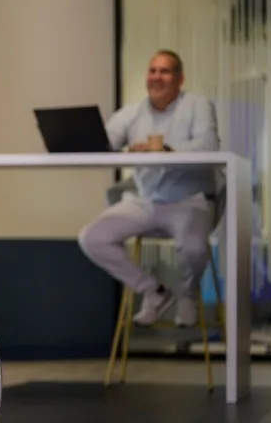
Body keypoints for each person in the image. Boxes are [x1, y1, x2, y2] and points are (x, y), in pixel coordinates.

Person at [78, 49, 221, 327]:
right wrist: (83, 141)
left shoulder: (197, 105)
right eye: (153, 70)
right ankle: (153, 291)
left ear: (180, 79)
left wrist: (165, 150)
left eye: (165, 71)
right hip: (145, 201)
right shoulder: (131, 113)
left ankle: (188, 294)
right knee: (92, 237)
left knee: (193, 247)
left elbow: (209, 146)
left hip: (189, 200)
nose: (157, 77)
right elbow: (104, 142)